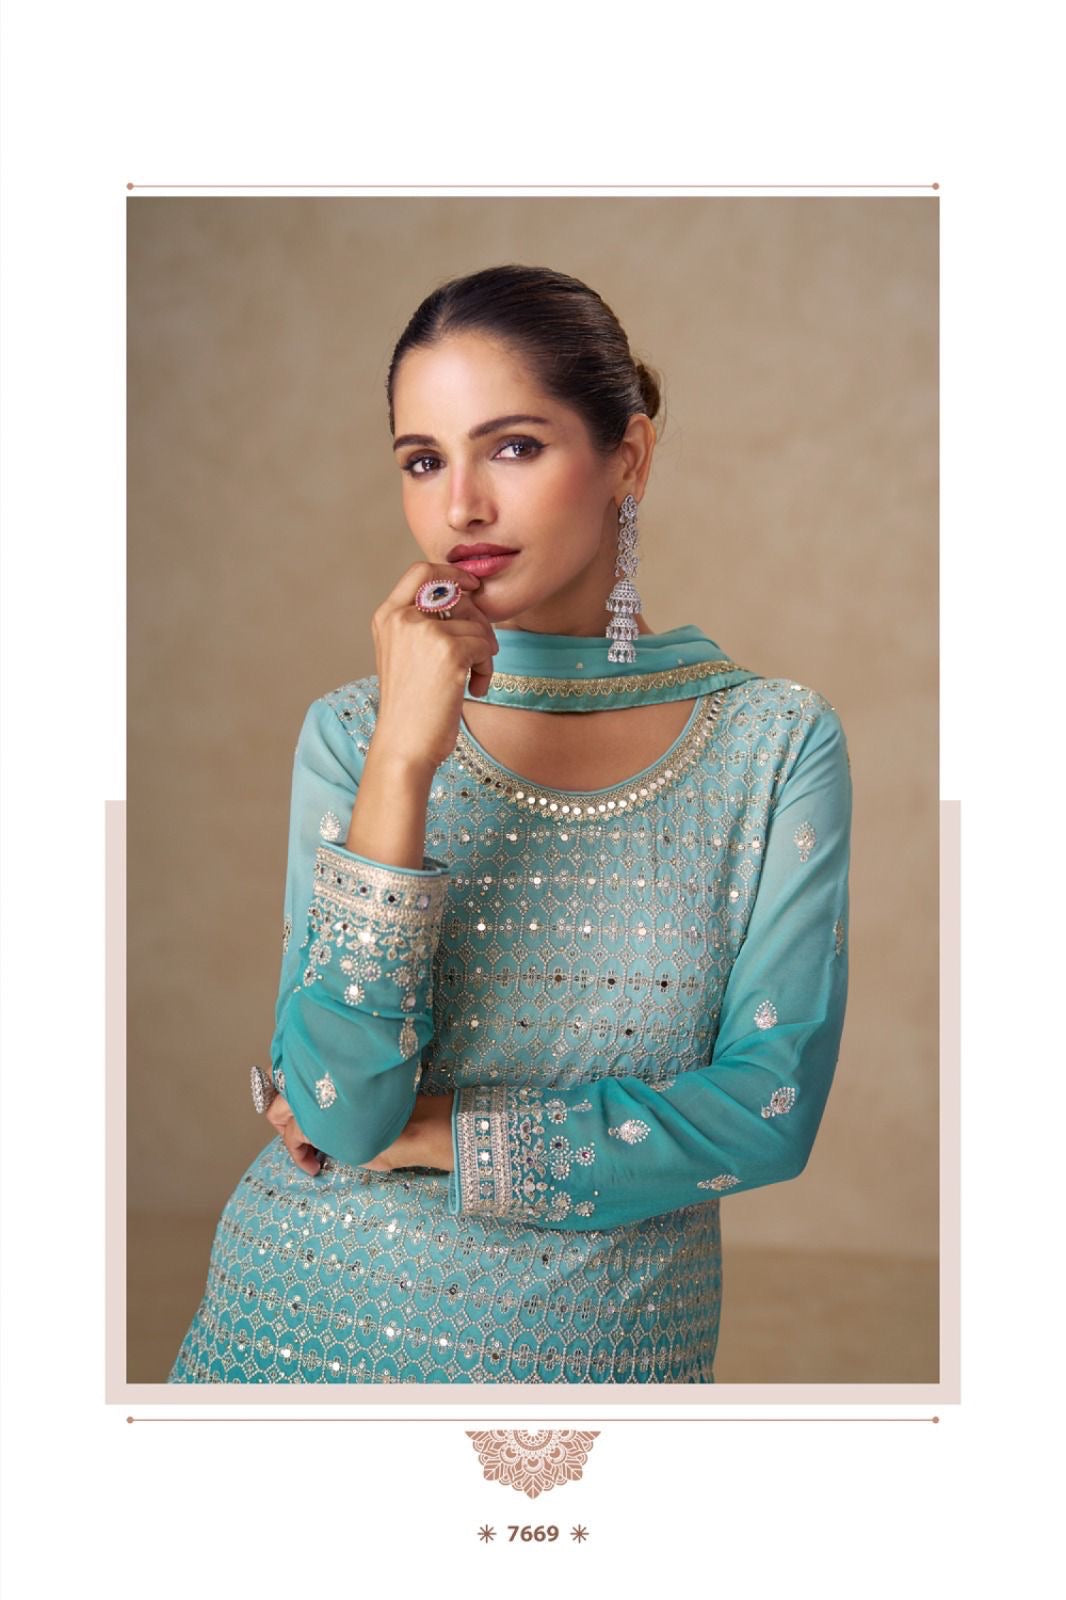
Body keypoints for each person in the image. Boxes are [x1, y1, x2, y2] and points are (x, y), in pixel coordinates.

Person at [168, 263, 852, 1385]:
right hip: (293, 1334)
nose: (460, 507)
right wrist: (403, 756)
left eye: (515, 447)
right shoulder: (353, 734)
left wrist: (448, 1137)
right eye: (423, 460)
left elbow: (765, 1113)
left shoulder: (773, 744)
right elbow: (343, 1112)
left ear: (626, 457)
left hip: (602, 1366)